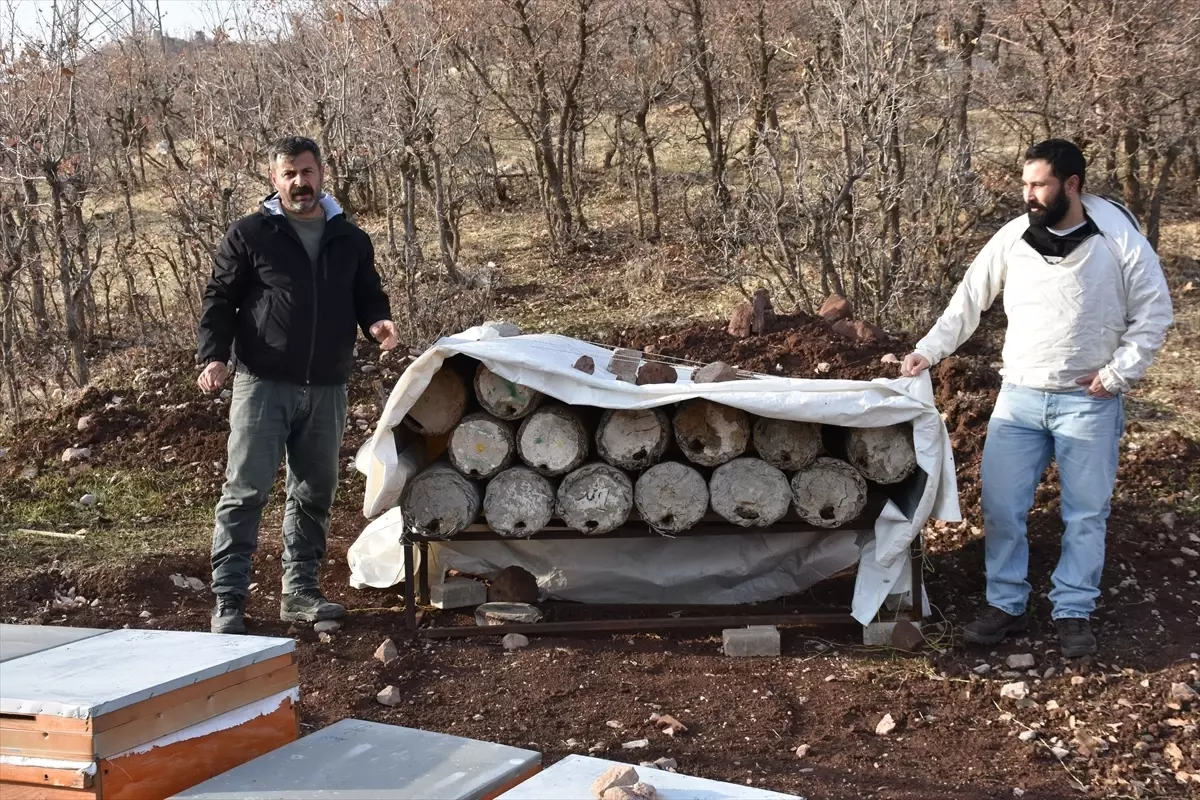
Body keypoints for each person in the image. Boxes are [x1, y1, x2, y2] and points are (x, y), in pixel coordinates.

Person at [901, 139, 1173, 657]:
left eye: (1038, 184)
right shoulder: (1013, 237)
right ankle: (1006, 603)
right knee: (1002, 508)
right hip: (1020, 397)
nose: (1027, 193)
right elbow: (969, 300)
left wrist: (1118, 375)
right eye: (1025, 183)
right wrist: (928, 351)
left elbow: (1154, 313)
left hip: (1088, 401)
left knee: (1085, 513)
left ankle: (1073, 610)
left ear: (1071, 185)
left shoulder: (1119, 237)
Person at [196, 135, 398, 634]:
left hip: (327, 385)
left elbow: (366, 293)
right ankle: (229, 599)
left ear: (321, 173)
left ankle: (301, 592)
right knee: (245, 490)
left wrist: (378, 323)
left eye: (306, 172)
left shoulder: (350, 237)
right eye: (289, 174)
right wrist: (214, 356)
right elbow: (220, 297)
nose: (299, 183)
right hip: (263, 382)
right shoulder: (250, 234)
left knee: (315, 490)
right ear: (274, 179)